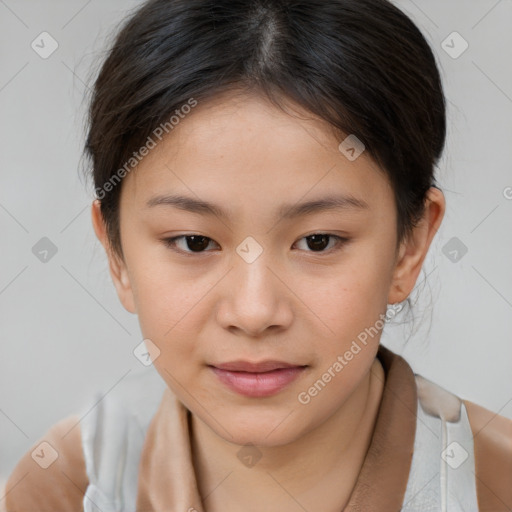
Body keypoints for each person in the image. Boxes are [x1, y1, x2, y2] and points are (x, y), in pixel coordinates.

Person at [3, 0, 511, 510]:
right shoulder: (65, 487)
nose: (253, 312)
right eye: (194, 242)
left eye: (318, 241)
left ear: (410, 246)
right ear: (116, 253)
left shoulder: (496, 480)